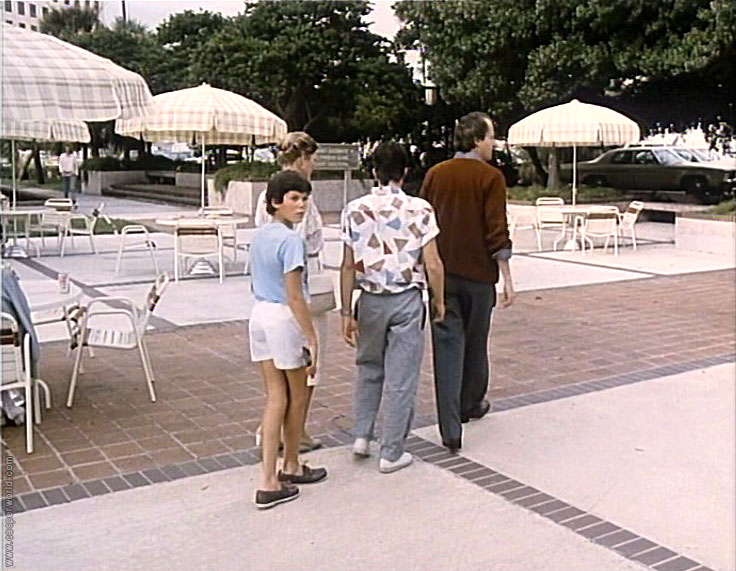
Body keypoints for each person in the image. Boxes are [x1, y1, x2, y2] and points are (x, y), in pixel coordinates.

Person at [340, 142, 445, 473]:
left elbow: (346, 265)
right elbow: (433, 263)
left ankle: (362, 434)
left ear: (374, 172)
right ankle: (392, 451)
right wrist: (438, 300)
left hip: (369, 299)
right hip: (406, 298)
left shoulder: (354, 209)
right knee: (401, 376)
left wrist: (346, 310)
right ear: (406, 172)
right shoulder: (421, 209)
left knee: (369, 367)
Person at [420, 111, 516, 453]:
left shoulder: (435, 174)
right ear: (477, 139)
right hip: (478, 277)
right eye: (491, 136)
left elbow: (422, 224)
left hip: (441, 276)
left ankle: (450, 429)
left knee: (446, 350)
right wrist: (507, 278)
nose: (493, 143)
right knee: (476, 344)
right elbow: (496, 229)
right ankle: (471, 402)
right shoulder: (491, 178)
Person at [249, 170, 327, 509]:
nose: (301, 205)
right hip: (283, 317)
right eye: (294, 198)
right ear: (276, 202)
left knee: (275, 397)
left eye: (304, 198)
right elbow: (295, 295)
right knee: (296, 397)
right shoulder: (291, 240)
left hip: (260, 315)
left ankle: (270, 475)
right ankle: (288, 466)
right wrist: (311, 336)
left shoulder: (260, 236)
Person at [254, 132, 326, 453]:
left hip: (267, 294)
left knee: (277, 383)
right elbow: (304, 245)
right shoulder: (299, 201)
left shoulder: (270, 195)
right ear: (303, 159)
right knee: (304, 371)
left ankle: (278, 435)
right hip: (296, 287)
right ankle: (294, 435)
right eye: (313, 159)